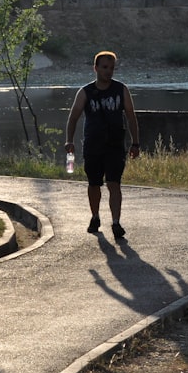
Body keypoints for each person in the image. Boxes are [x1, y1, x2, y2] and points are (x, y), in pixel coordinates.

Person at [65, 50, 140, 239]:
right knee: (94, 184)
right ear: (96, 68)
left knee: (114, 183)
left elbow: (131, 117)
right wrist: (69, 140)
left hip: (115, 145)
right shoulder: (85, 92)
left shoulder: (121, 89)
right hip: (93, 145)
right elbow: (73, 117)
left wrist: (135, 143)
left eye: (112, 68)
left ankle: (116, 223)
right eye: (105, 68)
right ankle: (95, 217)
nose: (109, 72)